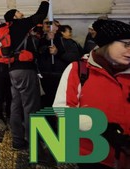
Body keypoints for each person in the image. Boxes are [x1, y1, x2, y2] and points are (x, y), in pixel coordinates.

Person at [54, 19, 130, 169]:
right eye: (126, 44)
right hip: (92, 154)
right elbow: (61, 110)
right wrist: (102, 127)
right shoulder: (79, 70)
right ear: (107, 43)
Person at [5, 0, 53, 151]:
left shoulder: (8, 30)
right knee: (31, 107)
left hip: (13, 70)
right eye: (18, 11)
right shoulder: (20, 24)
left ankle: (18, 140)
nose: (21, 13)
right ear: (14, 16)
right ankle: (35, 145)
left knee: (16, 105)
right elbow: (40, 15)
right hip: (26, 70)